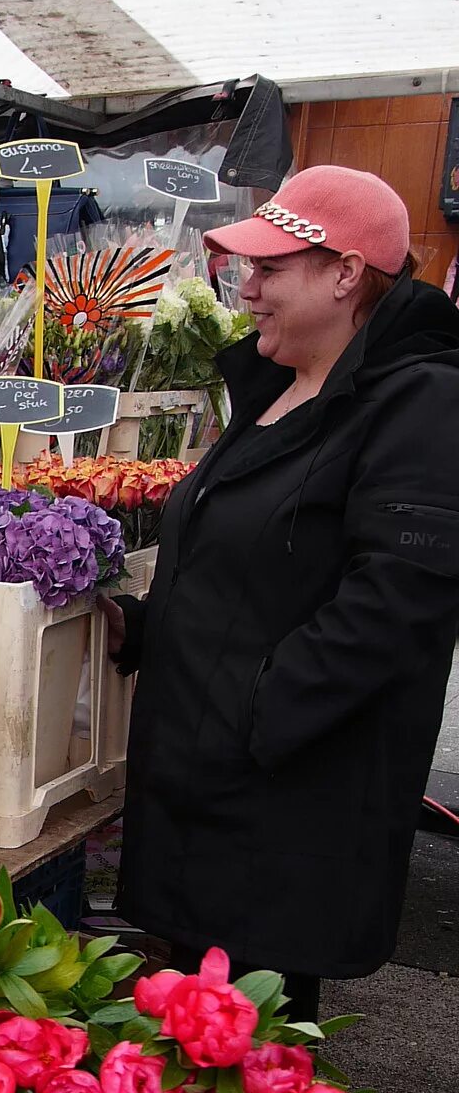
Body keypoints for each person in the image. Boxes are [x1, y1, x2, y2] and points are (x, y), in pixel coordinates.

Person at [108, 165, 459, 1021]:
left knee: (255, 1046)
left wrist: (262, 704)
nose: (247, 289)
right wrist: (148, 626)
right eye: (246, 267)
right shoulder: (276, 386)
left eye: (269, 269)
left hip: (285, 794)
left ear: (346, 274)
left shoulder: (420, 400)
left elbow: (402, 596)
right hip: (206, 771)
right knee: (196, 1032)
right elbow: (249, 560)